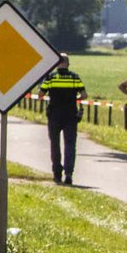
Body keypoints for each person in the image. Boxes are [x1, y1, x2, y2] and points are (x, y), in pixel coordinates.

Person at [40, 54, 87, 186]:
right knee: (70, 144)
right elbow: (84, 95)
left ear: (56, 63)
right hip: (70, 114)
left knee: (55, 144)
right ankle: (69, 173)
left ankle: (57, 173)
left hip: (54, 114)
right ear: (68, 64)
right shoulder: (74, 77)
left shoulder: (50, 77)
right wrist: (75, 99)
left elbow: (41, 94)